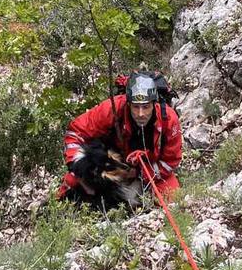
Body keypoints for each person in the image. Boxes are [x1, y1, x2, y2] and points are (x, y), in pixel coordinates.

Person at [58, 70, 182, 203]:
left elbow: (170, 162)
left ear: (154, 104)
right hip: (113, 166)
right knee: (70, 186)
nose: (141, 113)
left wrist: (139, 173)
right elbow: (75, 132)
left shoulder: (168, 120)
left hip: (149, 168)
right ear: (128, 103)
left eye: (146, 107)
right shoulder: (112, 108)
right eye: (136, 107)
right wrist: (77, 167)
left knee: (172, 198)